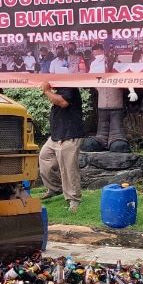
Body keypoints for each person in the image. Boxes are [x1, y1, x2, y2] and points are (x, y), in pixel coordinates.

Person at [38, 82, 84, 213]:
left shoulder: (70, 86)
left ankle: (74, 199)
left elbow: (63, 102)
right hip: (56, 135)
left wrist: (47, 91)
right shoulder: (61, 87)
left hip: (69, 134)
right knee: (45, 157)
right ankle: (55, 188)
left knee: (68, 168)